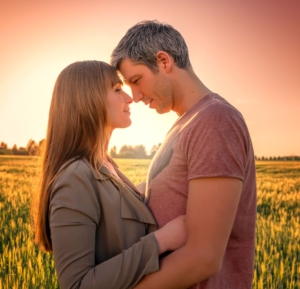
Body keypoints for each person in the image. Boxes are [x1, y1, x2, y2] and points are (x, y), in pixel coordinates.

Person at [111, 20, 257, 289]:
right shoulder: (187, 123)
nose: (137, 96)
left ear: (164, 61)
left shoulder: (214, 120)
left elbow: (203, 258)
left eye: (136, 80)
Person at [33, 60, 187, 289]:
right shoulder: (75, 178)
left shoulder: (105, 166)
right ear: (88, 101)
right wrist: (160, 241)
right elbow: (77, 285)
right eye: (116, 89)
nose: (129, 98)